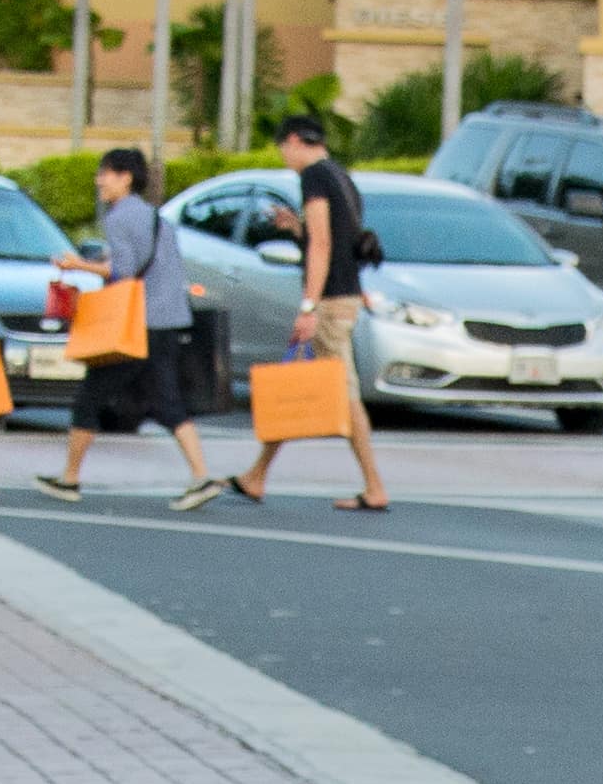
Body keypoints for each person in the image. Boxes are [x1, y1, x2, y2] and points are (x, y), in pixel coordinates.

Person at [232, 110, 390, 511]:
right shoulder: (340, 175)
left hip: (330, 301)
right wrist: (295, 228)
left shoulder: (314, 178)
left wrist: (308, 306)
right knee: (298, 386)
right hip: (345, 294)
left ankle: (374, 486)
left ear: (296, 141)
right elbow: (336, 238)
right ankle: (256, 474)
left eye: (283, 148)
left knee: (343, 393)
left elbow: (321, 245)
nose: (284, 156)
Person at [48, 148, 222, 508]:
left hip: (134, 325)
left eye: (105, 173)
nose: (99, 181)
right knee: (169, 401)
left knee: (89, 397)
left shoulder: (117, 218)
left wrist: (79, 265)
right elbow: (150, 264)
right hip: (168, 320)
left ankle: (70, 479)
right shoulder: (156, 217)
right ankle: (201, 475)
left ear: (125, 177)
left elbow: (124, 272)